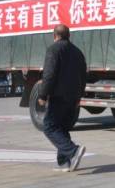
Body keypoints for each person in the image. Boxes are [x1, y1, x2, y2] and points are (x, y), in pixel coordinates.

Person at [38, 24, 88, 172]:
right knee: (62, 128)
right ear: (69, 36)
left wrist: (42, 94)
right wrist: (79, 95)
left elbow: (49, 74)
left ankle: (73, 151)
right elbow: (83, 76)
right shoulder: (78, 52)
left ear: (54, 36)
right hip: (73, 97)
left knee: (49, 127)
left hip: (59, 96)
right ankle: (65, 162)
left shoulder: (53, 49)